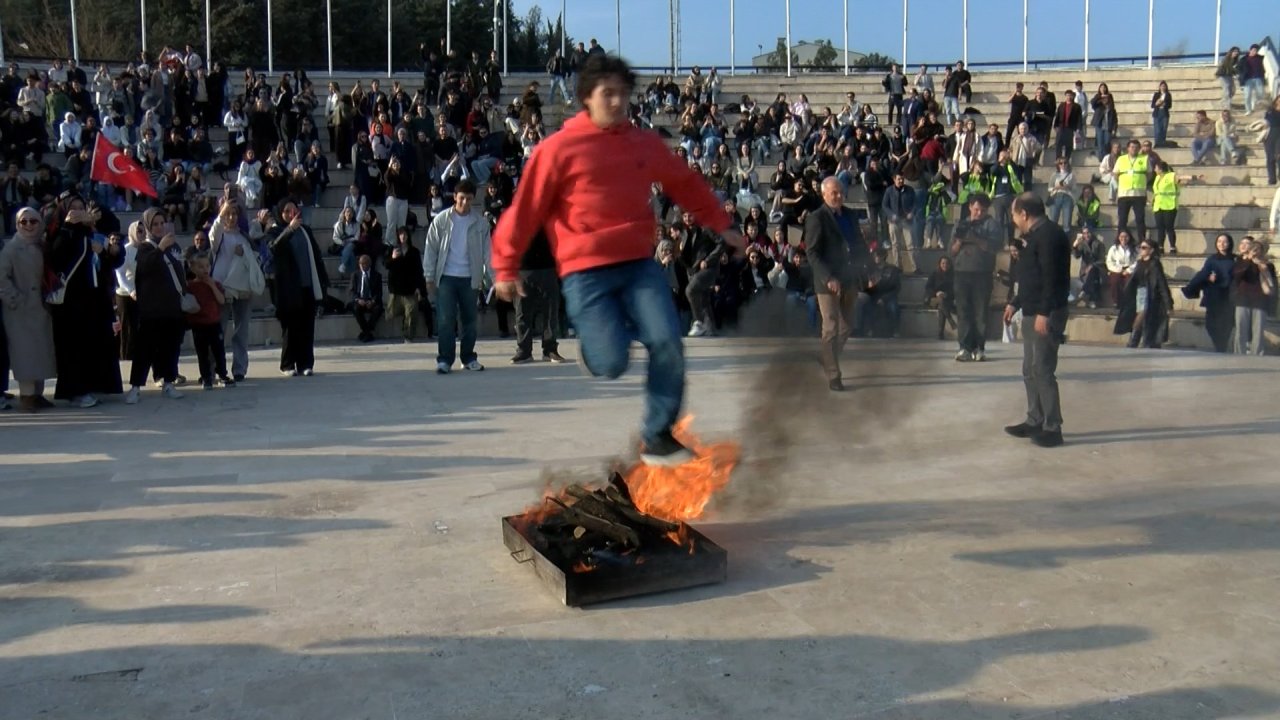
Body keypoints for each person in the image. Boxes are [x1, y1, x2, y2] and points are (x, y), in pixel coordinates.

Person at [491, 53, 742, 465]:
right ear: (586, 97)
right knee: (610, 363)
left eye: (623, 94)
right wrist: (505, 264)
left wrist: (720, 223)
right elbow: (526, 209)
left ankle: (658, 434)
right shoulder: (557, 150)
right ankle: (597, 349)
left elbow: (685, 183)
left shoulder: (643, 143)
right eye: (608, 94)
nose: (617, 102)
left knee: (667, 340)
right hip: (585, 271)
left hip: (638, 265)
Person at [1003, 193, 1070, 448]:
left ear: (1024, 214)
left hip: (1046, 313)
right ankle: (1035, 419)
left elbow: (1052, 279)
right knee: (1029, 369)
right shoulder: (1033, 238)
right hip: (1032, 309)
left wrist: (1044, 312)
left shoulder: (1049, 236)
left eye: (1013, 214)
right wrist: (1015, 302)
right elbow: (1032, 277)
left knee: (1042, 369)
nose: (1012, 219)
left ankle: (1053, 427)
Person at [47, 195, 124, 407]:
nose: (80, 211)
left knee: (92, 344)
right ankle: (75, 391)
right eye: (75, 208)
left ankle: (92, 387)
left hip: (94, 298)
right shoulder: (61, 232)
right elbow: (55, 256)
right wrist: (67, 226)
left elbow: (108, 262)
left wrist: (110, 252)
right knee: (73, 347)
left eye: (83, 207)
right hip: (70, 301)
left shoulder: (93, 233)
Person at [804, 176, 865, 391]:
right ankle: (833, 374)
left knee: (847, 325)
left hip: (849, 277)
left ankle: (827, 357)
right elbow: (811, 253)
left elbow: (859, 245)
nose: (838, 196)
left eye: (840, 192)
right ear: (824, 194)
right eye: (833, 193)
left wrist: (868, 271)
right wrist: (828, 277)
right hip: (827, 281)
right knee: (830, 327)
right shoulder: (816, 218)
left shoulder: (850, 215)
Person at [424, 179, 490, 374]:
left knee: (470, 320)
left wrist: (493, 277)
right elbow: (431, 250)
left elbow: (488, 252)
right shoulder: (441, 220)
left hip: (470, 277)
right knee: (445, 319)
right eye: (461, 198)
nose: (464, 203)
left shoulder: (480, 223)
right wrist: (428, 277)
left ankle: (468, 357)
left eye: (469, 199)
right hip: (447, 277)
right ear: (454, 197)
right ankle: (445, 359)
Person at [124, 208, 186, 404]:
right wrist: (160, 249)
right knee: (145, 350)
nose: (159, 228)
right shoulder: (145, 248)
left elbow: (179, 272)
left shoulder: (171, 247)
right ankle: (135, 387)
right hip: (151, 309)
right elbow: (146, 266)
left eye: (162, 223)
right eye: (155, 224)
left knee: (170, 347)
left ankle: (168, 381)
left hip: (171, 307)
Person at [0, 208, 57, 412]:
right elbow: (1, 279)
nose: (29, 225)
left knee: (40, 351)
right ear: (17, 224)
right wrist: (15, 299)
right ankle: (26, 395)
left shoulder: (43, 246)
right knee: (24, 353)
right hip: (19, 312)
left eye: (33, 221)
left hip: (40, 307)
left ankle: (37, 394)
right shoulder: (12, 249)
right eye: (23, 222)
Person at [269, 200, 329, 377]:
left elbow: (316, 256)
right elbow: (275, 247)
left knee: (307, 327)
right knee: (291, 328)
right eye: (287, 211)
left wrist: (323, 280)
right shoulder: (275, 231)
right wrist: (290, 229)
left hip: (307, 286)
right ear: (281, 214)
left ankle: (306, 364)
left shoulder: (306, 231)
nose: (291, 214)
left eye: (293, 210)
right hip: (289, 289)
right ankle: (288, 364)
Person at [950, 193, 1001, 361]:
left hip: (982, 273)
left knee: (980, 312)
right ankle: (964, 347)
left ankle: (979, 347)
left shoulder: (991, 225)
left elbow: (995, 247)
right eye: (976, 209)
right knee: (963, 311)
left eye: (983, 210)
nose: (979, 213)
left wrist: (976, 239)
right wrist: (960, 240)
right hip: (961, 273)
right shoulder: (961, 224)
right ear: (970, 206)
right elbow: (951, 252)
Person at [209, 202, 254, 381]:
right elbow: (214, 233)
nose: (231, 217)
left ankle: (239, 369)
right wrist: (222, 210)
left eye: (234, 213)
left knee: (241, 330)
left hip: (243, 288)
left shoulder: (244, 236)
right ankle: (213, 368)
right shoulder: (219, 236)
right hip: (222, 288)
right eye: (228, 214)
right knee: (218, 330)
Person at [511, 231, 566, 364]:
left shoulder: (549, 211)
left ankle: (550, 349)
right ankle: (524, 350)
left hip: (548, 265)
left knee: (551, 310)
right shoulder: (518, 212)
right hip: (523, 267)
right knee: (522, 311)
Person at [1114, 238, 1174, 349]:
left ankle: (1133, 343)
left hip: (1149, 294)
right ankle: (1136, 342)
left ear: (1151, 250)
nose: (1141, 250)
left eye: (1144, 248)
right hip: (1139, 293)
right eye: (1140, 247)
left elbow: (1161, 283)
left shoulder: (1155, 264)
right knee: (1140, 318)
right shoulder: (1140, 263)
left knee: (1141, 318)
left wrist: (1168, 303)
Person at [185, 253, 234, 388]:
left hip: (214, 323)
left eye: (207, 266)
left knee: (218, 351)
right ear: (193, 268)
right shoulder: (190, 286)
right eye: (200, 267)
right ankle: (206, 377)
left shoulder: (215, 283)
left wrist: (212, 285)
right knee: (202, 353)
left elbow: (222, 300)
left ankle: (223, 375)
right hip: (198, 324)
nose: (205, 270)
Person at [1182, 233, 1236, 353]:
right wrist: (1208, 278)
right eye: (1219, 242)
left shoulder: (1234, 259)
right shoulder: (1212, 259)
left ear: (1230, 243)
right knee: (1211, 325)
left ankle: (1222, 347)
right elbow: (1203, 274)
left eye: (1224, 241)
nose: (1221, 244)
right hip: (1213, 295)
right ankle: (1220, 346)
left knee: (1226, 324)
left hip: (1228, 296)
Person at [1230, 236, 1276, 355]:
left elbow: (1273, 285)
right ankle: (1239, 354)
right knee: (1241, 330)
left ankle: (1257, 355)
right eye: (1253, 248)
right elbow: (1237, 277)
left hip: (1260, 301)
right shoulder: (1241, 262)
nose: (1255, 251)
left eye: (1258, 249)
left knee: (1258, 331)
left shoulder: (1268, 265)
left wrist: (1263, 268)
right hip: (1243, 299)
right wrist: (1248, 261)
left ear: (1263, 251)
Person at [386, 226, 429, 343]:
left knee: (411, 312)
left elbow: (419, 271)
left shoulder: (414, 252)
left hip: (410, 289)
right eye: (401, 234)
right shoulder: (393, 249)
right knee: (392, 313)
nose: (403, 237)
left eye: (405, 234)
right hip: (396, 289)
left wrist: (420, 289)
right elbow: (386, 265)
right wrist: (393, 258)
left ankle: (408, 336)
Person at [1113, 140, 1150, 242]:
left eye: (1136, 147)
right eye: (1132, 147)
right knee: (1122, 220)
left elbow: (1149, 174)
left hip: (1139, 194)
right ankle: (1120, 241)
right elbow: (1116, 174)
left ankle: (1142, 241)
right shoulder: (1121, 159)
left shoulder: (1144, 158)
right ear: (1128, 148)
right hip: (1124, 194)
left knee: (1140, 219)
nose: (1134, 149)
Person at [348, 253, 383, 343]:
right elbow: (352, 291)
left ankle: (365, 332)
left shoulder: (377, 275)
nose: (363, 266)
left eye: (365, 264)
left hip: (371, 300)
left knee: (378, 309)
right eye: (361, 264)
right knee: (355, 308)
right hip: (360, 300)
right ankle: (367, 332)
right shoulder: (355, 275)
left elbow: (379, 292)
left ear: (369, 264)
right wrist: (358, 300)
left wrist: (372, 301)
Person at [1071, 226, 1107, 309]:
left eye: (1088, 233)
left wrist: (1092, 265)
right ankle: (1092, 301)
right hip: (1085, 271)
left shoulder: (1099, 244)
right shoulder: (1082, 244)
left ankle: (1085, 291)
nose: (1086, 235)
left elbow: (1102, 259)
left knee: (1093, 271)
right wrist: (1075, 246)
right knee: (1092, 278)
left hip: (1099, 270)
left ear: (1092, 233)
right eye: (1084, 233)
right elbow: (1076, 255)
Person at [924, 255, 956, 341]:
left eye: (947, 263)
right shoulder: (934, 274)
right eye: (943, 263)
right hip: (933, 299)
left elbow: (955, 290)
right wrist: (936, 293)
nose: (945, 265)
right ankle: (950, 320)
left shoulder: (953, 275)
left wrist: (946, 294)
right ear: (939, 264)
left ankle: (940, 333)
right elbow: (928, 288)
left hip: (947, 299)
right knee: (941, 303)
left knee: (942, 305)